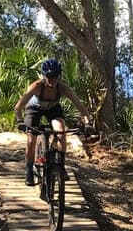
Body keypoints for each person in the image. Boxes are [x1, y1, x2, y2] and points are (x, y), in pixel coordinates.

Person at [14, 58, 91, 186]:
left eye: (55, 77)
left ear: (59, 76)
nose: (52, 80)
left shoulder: (62, 88)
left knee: (61, 132)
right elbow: (18, 106)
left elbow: (80, 107)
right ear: (44, 76)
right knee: (31, 139)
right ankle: (29, 170)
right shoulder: (37, 86)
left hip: (53, 109)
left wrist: (87, 122)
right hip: (34, 109)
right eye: (49, 76)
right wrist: (20, 121)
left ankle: (60, 164)